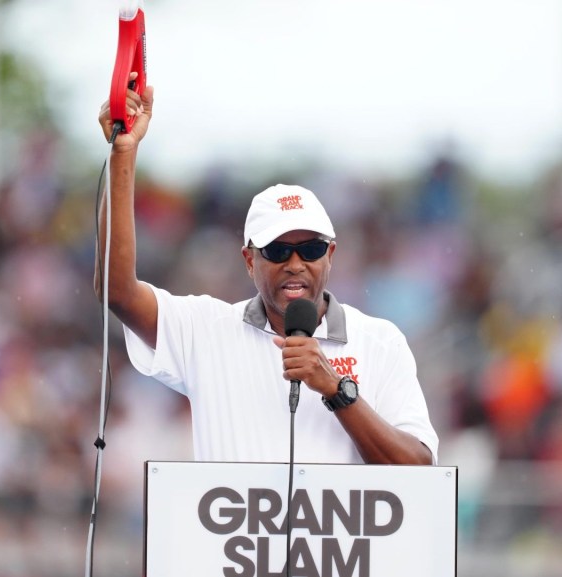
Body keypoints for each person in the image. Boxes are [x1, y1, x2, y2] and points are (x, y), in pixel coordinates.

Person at [96, 79, 437, 465]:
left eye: (311, 249)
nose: (295, 263)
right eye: (277, 251)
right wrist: (123, 153)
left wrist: (336, 390)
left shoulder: (380, 342)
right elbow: (117, 290)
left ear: (330, 255)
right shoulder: (205, 331)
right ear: (248, 260)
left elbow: (420, 469)